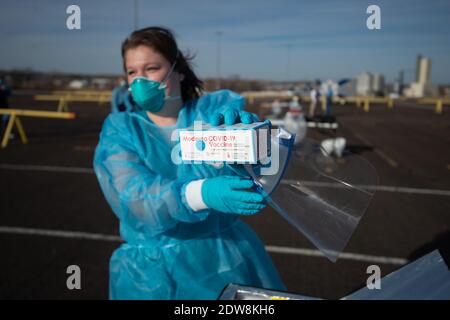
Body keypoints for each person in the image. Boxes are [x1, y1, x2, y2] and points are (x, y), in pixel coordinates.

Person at [93, 26, 286, 300]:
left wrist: (252, 143)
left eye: (151, 68)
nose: (140, 81)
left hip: (224, 260)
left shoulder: (211, 113)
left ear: (178, 71)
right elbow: (134, 199)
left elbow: (252, 170)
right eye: (132, 72)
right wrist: (200, 193)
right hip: (150, 276)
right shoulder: (121, 130)